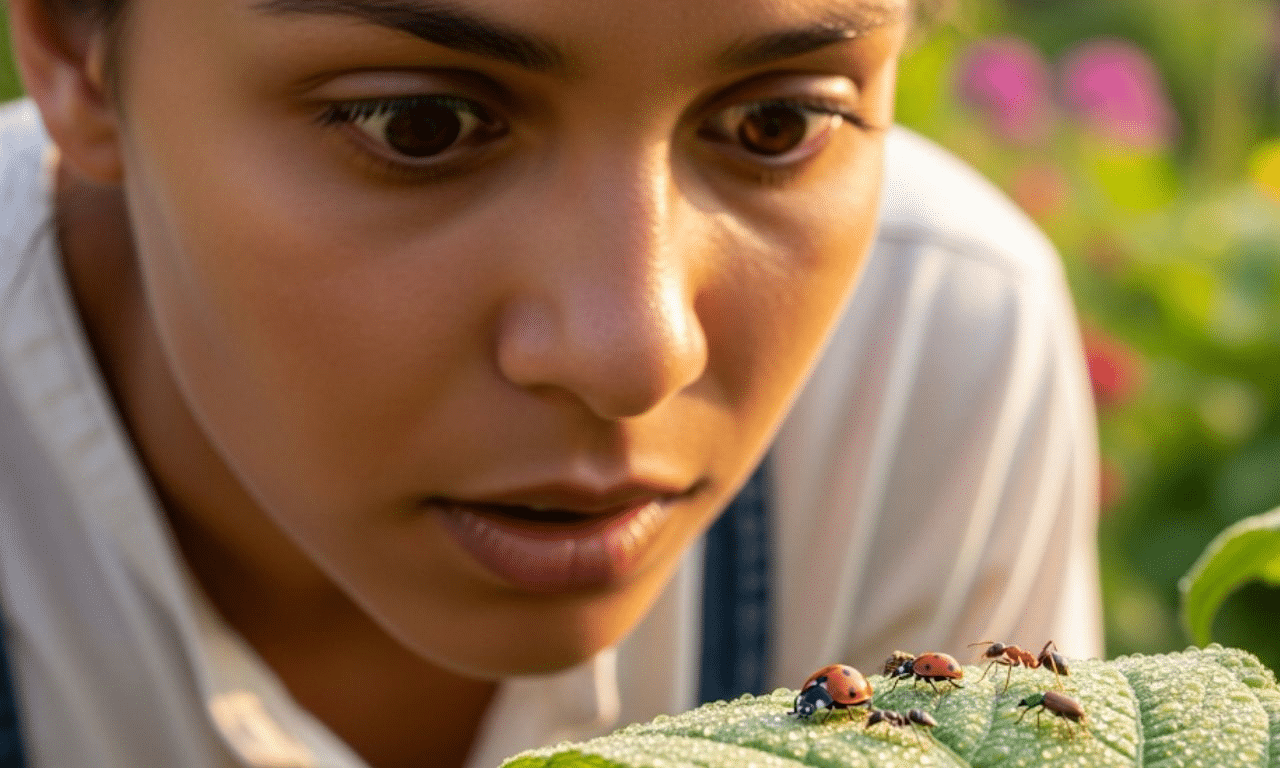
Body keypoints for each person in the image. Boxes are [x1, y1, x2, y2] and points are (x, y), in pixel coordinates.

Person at [0, 0, 1103, 766]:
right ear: (75, 48)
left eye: (776, 123)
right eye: (417, 125)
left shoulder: (928, 354)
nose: (634, 355)